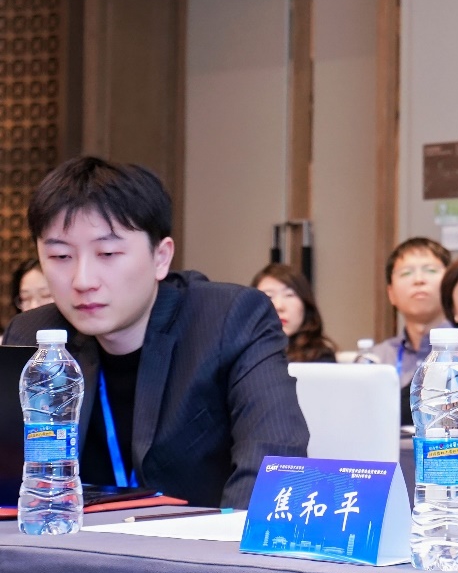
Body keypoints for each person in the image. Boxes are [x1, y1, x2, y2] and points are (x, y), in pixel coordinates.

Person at [3, 157, 308, 509]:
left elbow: (274, 466)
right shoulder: (33, 336)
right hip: (72, 540)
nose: (83, 281)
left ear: (161, 257)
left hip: (199, 542)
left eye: (108, 252)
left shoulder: (230, 319)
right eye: (60, 256)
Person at [369, 237, 452, 423]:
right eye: (406, 273)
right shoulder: (377, 359)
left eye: (431, 270)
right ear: (391, 294)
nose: (419, 280)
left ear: (450, 285)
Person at [252, 263, 337, 363]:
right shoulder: (243, 356)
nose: (279, 306)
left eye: (289, 295)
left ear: (305, 305)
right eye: (268, 296)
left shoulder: (320, 358)